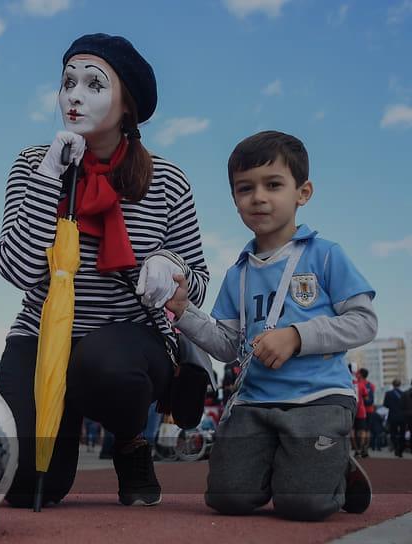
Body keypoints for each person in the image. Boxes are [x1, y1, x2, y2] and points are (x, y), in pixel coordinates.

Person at [0, 33, 209, 508]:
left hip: (126, 343)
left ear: (127, 105)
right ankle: (61, 422)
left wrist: (169, 267)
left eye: (94, 85)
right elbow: (17, 269)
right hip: (42, 335)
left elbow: (197, 280)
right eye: (68, 82)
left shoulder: (167, 179)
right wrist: (48, 179)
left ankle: (130, 441)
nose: (74, 96)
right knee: (27, 486)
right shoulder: (32, 164)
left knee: (104, 365)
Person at [166, 130, 377, 520]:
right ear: (235, 200)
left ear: (303, 192)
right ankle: (299, 461)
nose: (258, 197)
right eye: (245, 188)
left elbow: (364, 323)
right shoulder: (237, 274)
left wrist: (297, 336)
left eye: (273, 185)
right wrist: (183, 312)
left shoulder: (326, 255)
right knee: (227, 499)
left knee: (304, 505)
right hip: (254, 402)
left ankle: (330, 464)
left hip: (319, 399)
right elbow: (228, 347)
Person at [383, 379, 405, 457]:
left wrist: (392, 406)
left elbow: (385, 404)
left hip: (392, 416)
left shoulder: (388, 394)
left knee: (393, 433)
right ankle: (401, 449)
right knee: (402, 433)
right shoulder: (404, 394)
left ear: (393, 385)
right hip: (402, 416)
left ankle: (396, 447)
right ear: (400, 385)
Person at [354, 368, 373, 458]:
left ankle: (357, 449)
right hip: (368, 409)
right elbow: (370, 399)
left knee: (356, 430)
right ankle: (365, 449)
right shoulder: (370, 385)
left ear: (360, 374)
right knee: (367, 430)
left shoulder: (356, 383)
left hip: (359, 409)